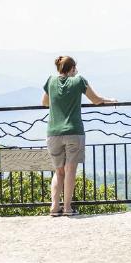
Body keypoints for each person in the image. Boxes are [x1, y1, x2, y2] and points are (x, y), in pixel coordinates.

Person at [42, 56, 116, 216]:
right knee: (70, 171)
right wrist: (109, 100)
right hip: (74, 132)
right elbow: (95, 100)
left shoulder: (50, 81)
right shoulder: (79, 81)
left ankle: (54, 208)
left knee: (58, 171)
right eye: (75, 68)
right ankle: (67, 208)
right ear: (72, 68)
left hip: (53, 133)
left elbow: (45, 103)